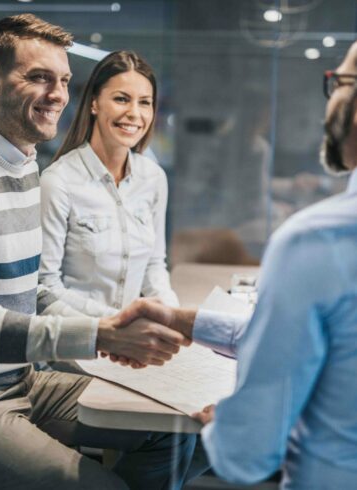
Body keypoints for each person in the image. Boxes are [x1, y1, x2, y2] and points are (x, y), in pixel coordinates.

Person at [120, 41, 357, 489]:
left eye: (339, 83)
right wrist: (182, 320)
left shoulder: (314, 241)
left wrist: (227, 427)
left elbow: (248, 452)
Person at [0, 13, 198, 490]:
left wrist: (161, 320)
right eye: (38, 77)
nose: (56, 93)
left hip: (25, 380)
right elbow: (43, 293)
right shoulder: (52, 178)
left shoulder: (22, 167)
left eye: (62, 80)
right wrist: (103, 334)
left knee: (178, 432)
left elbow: (32, 295)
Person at [39, 50, 178, 318]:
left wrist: (172, 313)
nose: (134, 113)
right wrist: (113, 326)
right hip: (75, 344)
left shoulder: (154, 178)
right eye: (121, 99)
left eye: (145, 102)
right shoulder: (58, 181)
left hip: (129, 346)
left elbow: (154, 266)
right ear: (94, 104)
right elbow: (46, 287)